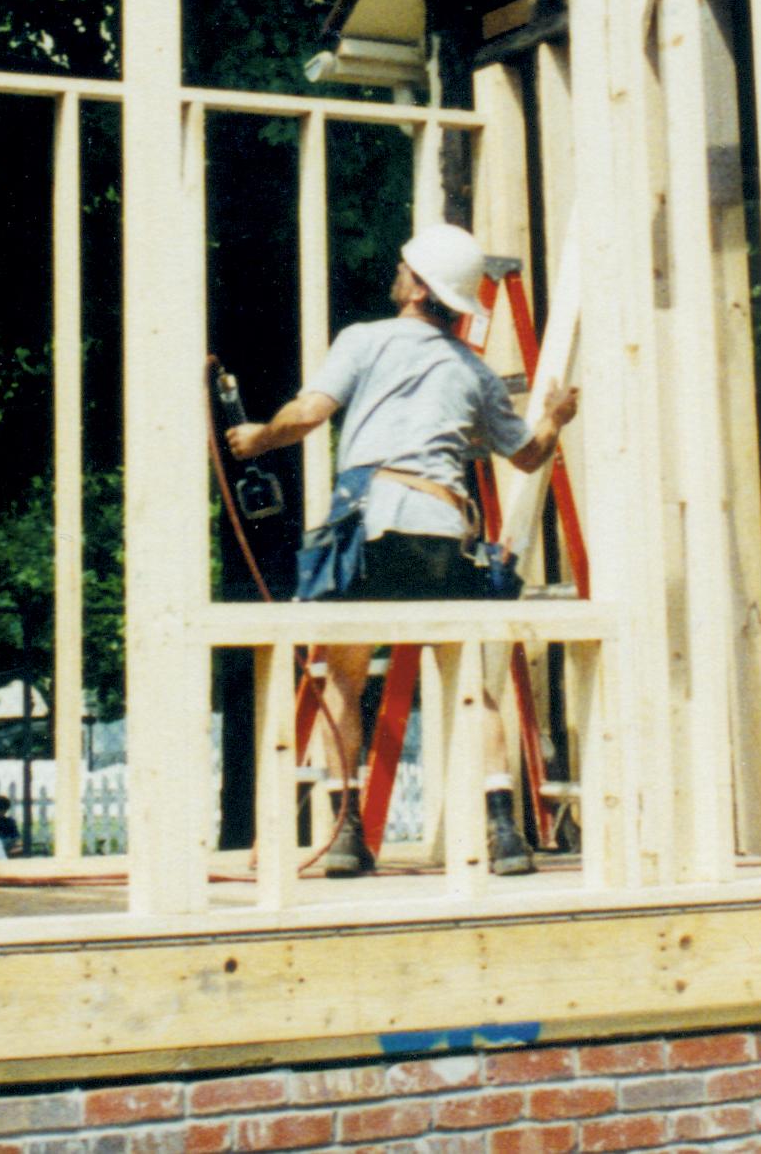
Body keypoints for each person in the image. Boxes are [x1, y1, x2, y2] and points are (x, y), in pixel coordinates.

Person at [225, 221, 577, 879]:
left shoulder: (367, 339)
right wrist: (553, 419)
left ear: (417, 287)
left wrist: (256, 439)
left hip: (373, 523)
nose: (396, 272)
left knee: (345, 674)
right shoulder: (474, 371)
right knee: (471, 679)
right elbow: (528, 456)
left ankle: (349, 831)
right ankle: (504, 833)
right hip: (445, 536)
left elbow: (306, 415)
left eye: (403, 267)